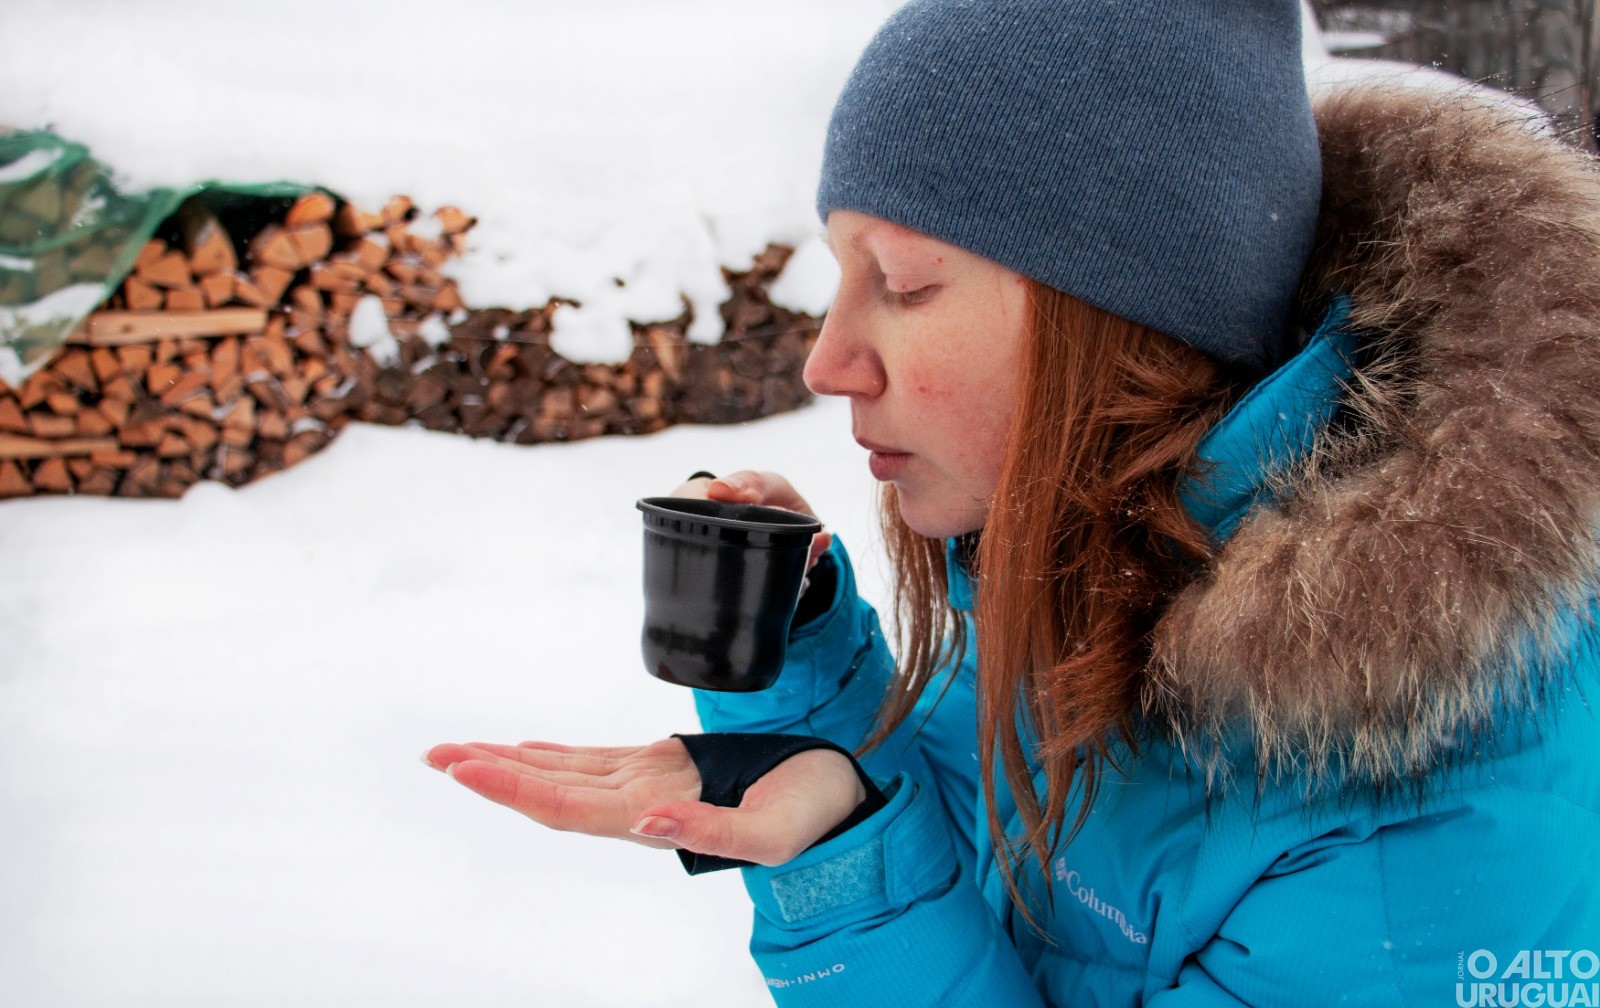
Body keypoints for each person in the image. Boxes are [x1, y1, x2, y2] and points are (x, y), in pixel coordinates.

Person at [424, 1, 1600, 1003]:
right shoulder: (1092, 543)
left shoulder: (1436, 818)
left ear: (1125, 318)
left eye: (903, 283)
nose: (824, 362)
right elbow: (993, 866)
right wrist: (816, 711)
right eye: (840, 278)